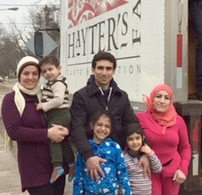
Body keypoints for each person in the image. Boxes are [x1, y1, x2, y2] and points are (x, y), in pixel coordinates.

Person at [70, 52, 149, 182]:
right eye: (100, 68)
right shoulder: (81, 96)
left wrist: (144, 152)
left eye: (108, 68)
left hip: (116, 158)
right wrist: (88, 156)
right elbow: (77, 128)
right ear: (93, 69)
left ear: (114, 71)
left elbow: (133, 125)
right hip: (91, 159)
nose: (104, 73)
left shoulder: (121, 96)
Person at [1, 56, 69, 195]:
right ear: (19, 75)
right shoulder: (11, 100)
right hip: (34, 169)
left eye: (35, 73)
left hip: (55, 165)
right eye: (26, 73)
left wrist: (66, 130)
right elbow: (14, 131)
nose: (30, 77)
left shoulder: (45, 95)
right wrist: (47, 134)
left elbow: (61, 115)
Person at [137, 84, 192, 195]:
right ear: (152, 98)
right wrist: (140, 156)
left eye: (166, 98)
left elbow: (185, 147)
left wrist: (183, 170)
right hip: (149, 170)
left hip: (173, 172)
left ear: (170, 101)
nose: (162, 101)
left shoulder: (178, 121)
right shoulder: (141, 118)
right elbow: (130, 143)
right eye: (158, 96)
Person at [36, 55, 75, 184]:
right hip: (57, 114)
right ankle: (71, 164)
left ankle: (57, 166)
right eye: (44, 71)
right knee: (62, 141)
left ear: (59, 69)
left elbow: (58, 100)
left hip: (60, 114)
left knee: (54, 139)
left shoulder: (58, 83)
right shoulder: (52, 83)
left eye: (50, 69)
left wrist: (43, 106)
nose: (47, 73)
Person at [73, 110, 131, 195]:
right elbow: (79, 177)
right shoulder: (85, 148)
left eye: (107, 126)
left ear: (111, 129)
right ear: (92, 125)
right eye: (99, 124)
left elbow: (123, 174)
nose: (103, 129)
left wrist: (127, 192)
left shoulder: (115, 147)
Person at [123, 123, 162, 195]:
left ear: (143, 138)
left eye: (137, 138)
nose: (134, 142)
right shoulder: (123, 158)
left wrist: (150, 153)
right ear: (126, 141)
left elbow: (158, 169)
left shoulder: (148, 155)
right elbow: (121, 179)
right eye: (130, 139)